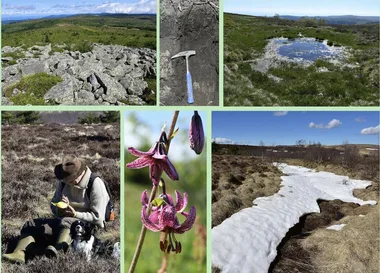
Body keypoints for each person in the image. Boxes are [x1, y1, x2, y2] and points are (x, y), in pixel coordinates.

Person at [3, 155, 110, 263]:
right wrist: (59, 208)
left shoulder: (95, 184)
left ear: (78, 175)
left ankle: (59, 253)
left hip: (87, 227)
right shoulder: (63, 181)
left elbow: (99, 218)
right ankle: (19, 253)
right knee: (31, 224)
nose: (67, 182)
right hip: (64, 221)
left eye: (70, 180)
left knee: (67, 221)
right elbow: (53, 204)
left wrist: (75, 214)